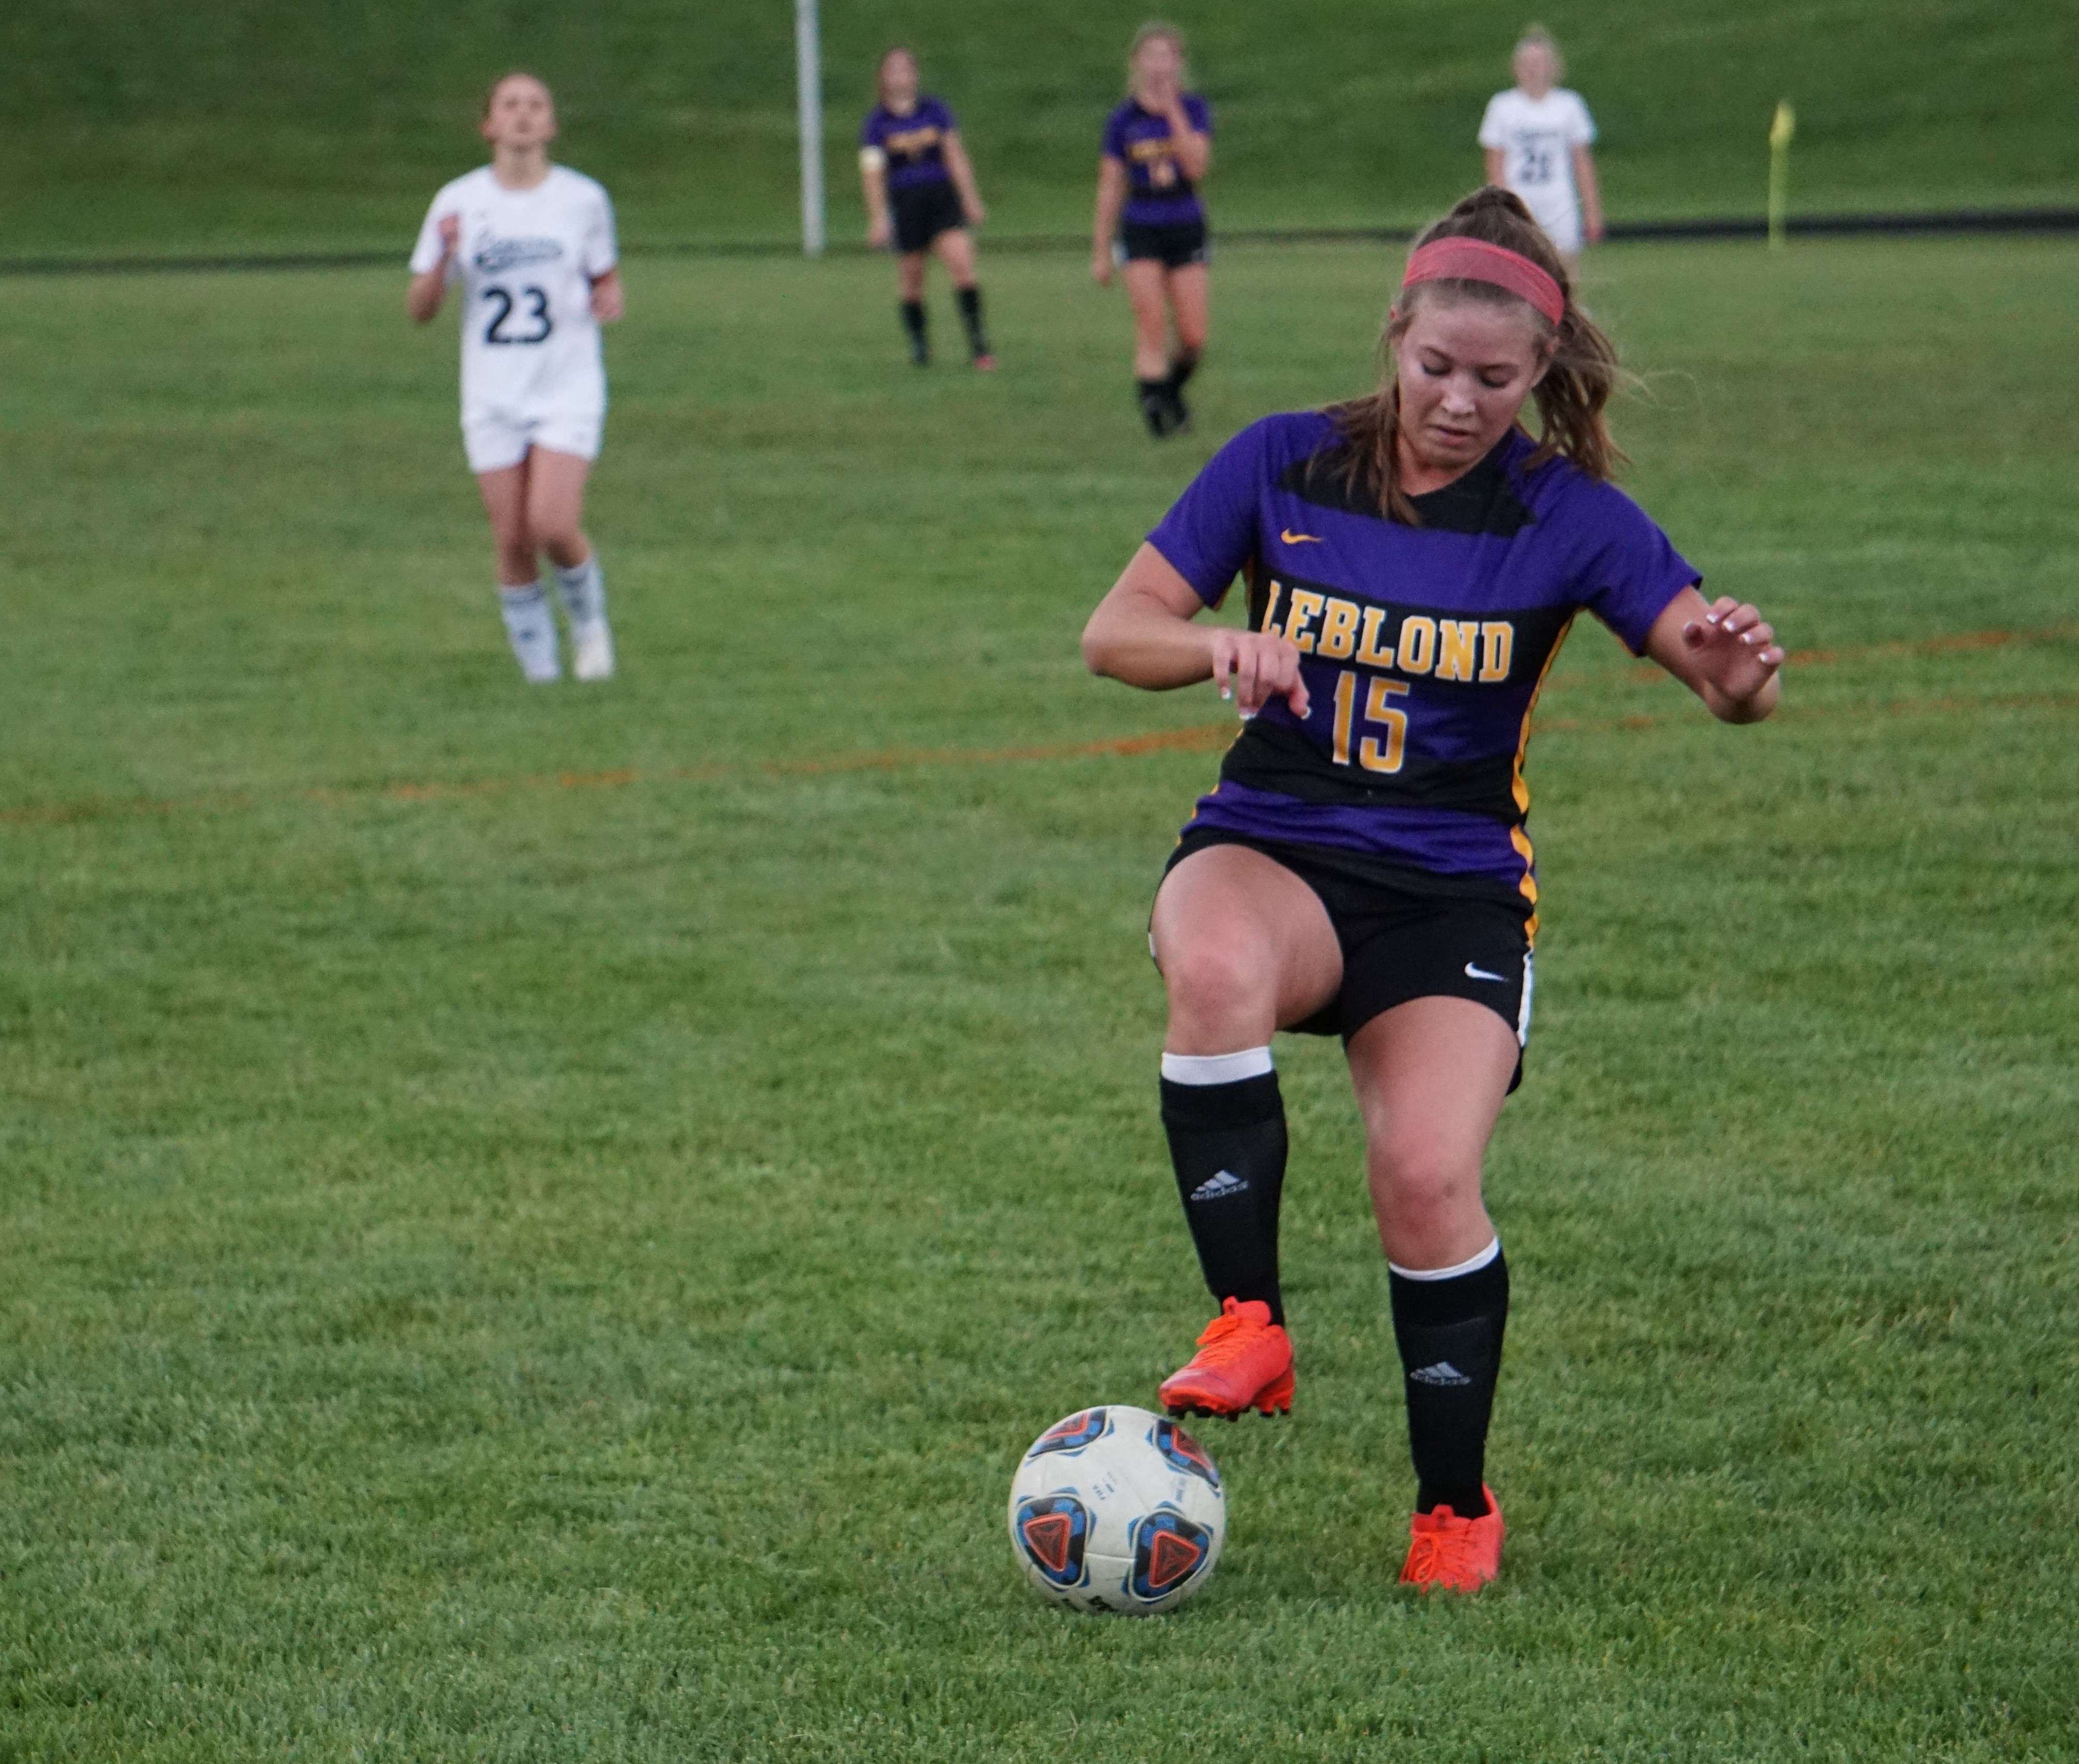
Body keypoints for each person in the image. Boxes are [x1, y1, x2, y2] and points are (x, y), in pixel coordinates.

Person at [1079, 187, 1783, 1592]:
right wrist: (1220, 644)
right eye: (1437, 368)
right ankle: (1249, 1318)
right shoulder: (1284, 463)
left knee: (1424, 1174)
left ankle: (1453, 1506)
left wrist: (1739, 670)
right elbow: (1116, 633)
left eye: (1497, 379)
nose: (1461, 401)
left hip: (1452, 892)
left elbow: (1714, 674)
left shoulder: (1568, 515)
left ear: (1543, 374)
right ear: (1395, 337)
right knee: (1211, 966)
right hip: (1276, 843)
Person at [407, 71, 623, 684]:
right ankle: (540, 673)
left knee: (550, 523)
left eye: (535, 106)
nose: (523, 116)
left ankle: (589, 625)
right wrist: (442, 263)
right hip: (492, 392)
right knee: (511, 538)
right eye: (510, 106)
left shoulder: (582, 199)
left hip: (565, 385)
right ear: (488, 126)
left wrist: (609, 295)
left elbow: (602, 274)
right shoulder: (458, 202)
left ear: (551, 125)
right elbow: (420, 310)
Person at [1092, 24, 1213, 438]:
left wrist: (1172, 112)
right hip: (1141, 225)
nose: (1159, 65)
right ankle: (1156, 415)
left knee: (1194, 336)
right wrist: (1100, 250)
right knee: (1151, 320)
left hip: (1185, 223)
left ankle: (1171, 391)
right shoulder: (1123, 120)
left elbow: (1196, 166)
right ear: (1137, 64)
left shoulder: (1194, 110)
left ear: (1178, 64)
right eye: (1151, 56)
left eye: (1167, 57)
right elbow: (1110, 187)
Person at [858, 48, 994, 370]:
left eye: (907, 69)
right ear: (883, 78)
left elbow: (955, 156)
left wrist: (971, 198)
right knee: (912, 280)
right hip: (906, 205)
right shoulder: (876, 124)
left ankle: (980, 346)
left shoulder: (935, 111)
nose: (901, 76)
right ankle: (920, 346)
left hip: (941, 200)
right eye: (893, 70)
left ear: (915, 75)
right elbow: (872, 174)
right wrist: (878, 219)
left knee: (962, 263)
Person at [1477, 27, 1602, 261]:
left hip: (1559, 199)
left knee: (1564, 270)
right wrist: (1499, 207)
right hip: (1520, 200)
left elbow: (1582, 162)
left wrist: (1591, 210)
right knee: (1517, 265)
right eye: (1526, 63)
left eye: (1539, 62)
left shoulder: (1569, 105)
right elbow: (1494, 163)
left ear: (1552, 67)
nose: (1533, 69)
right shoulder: (1502, 106)